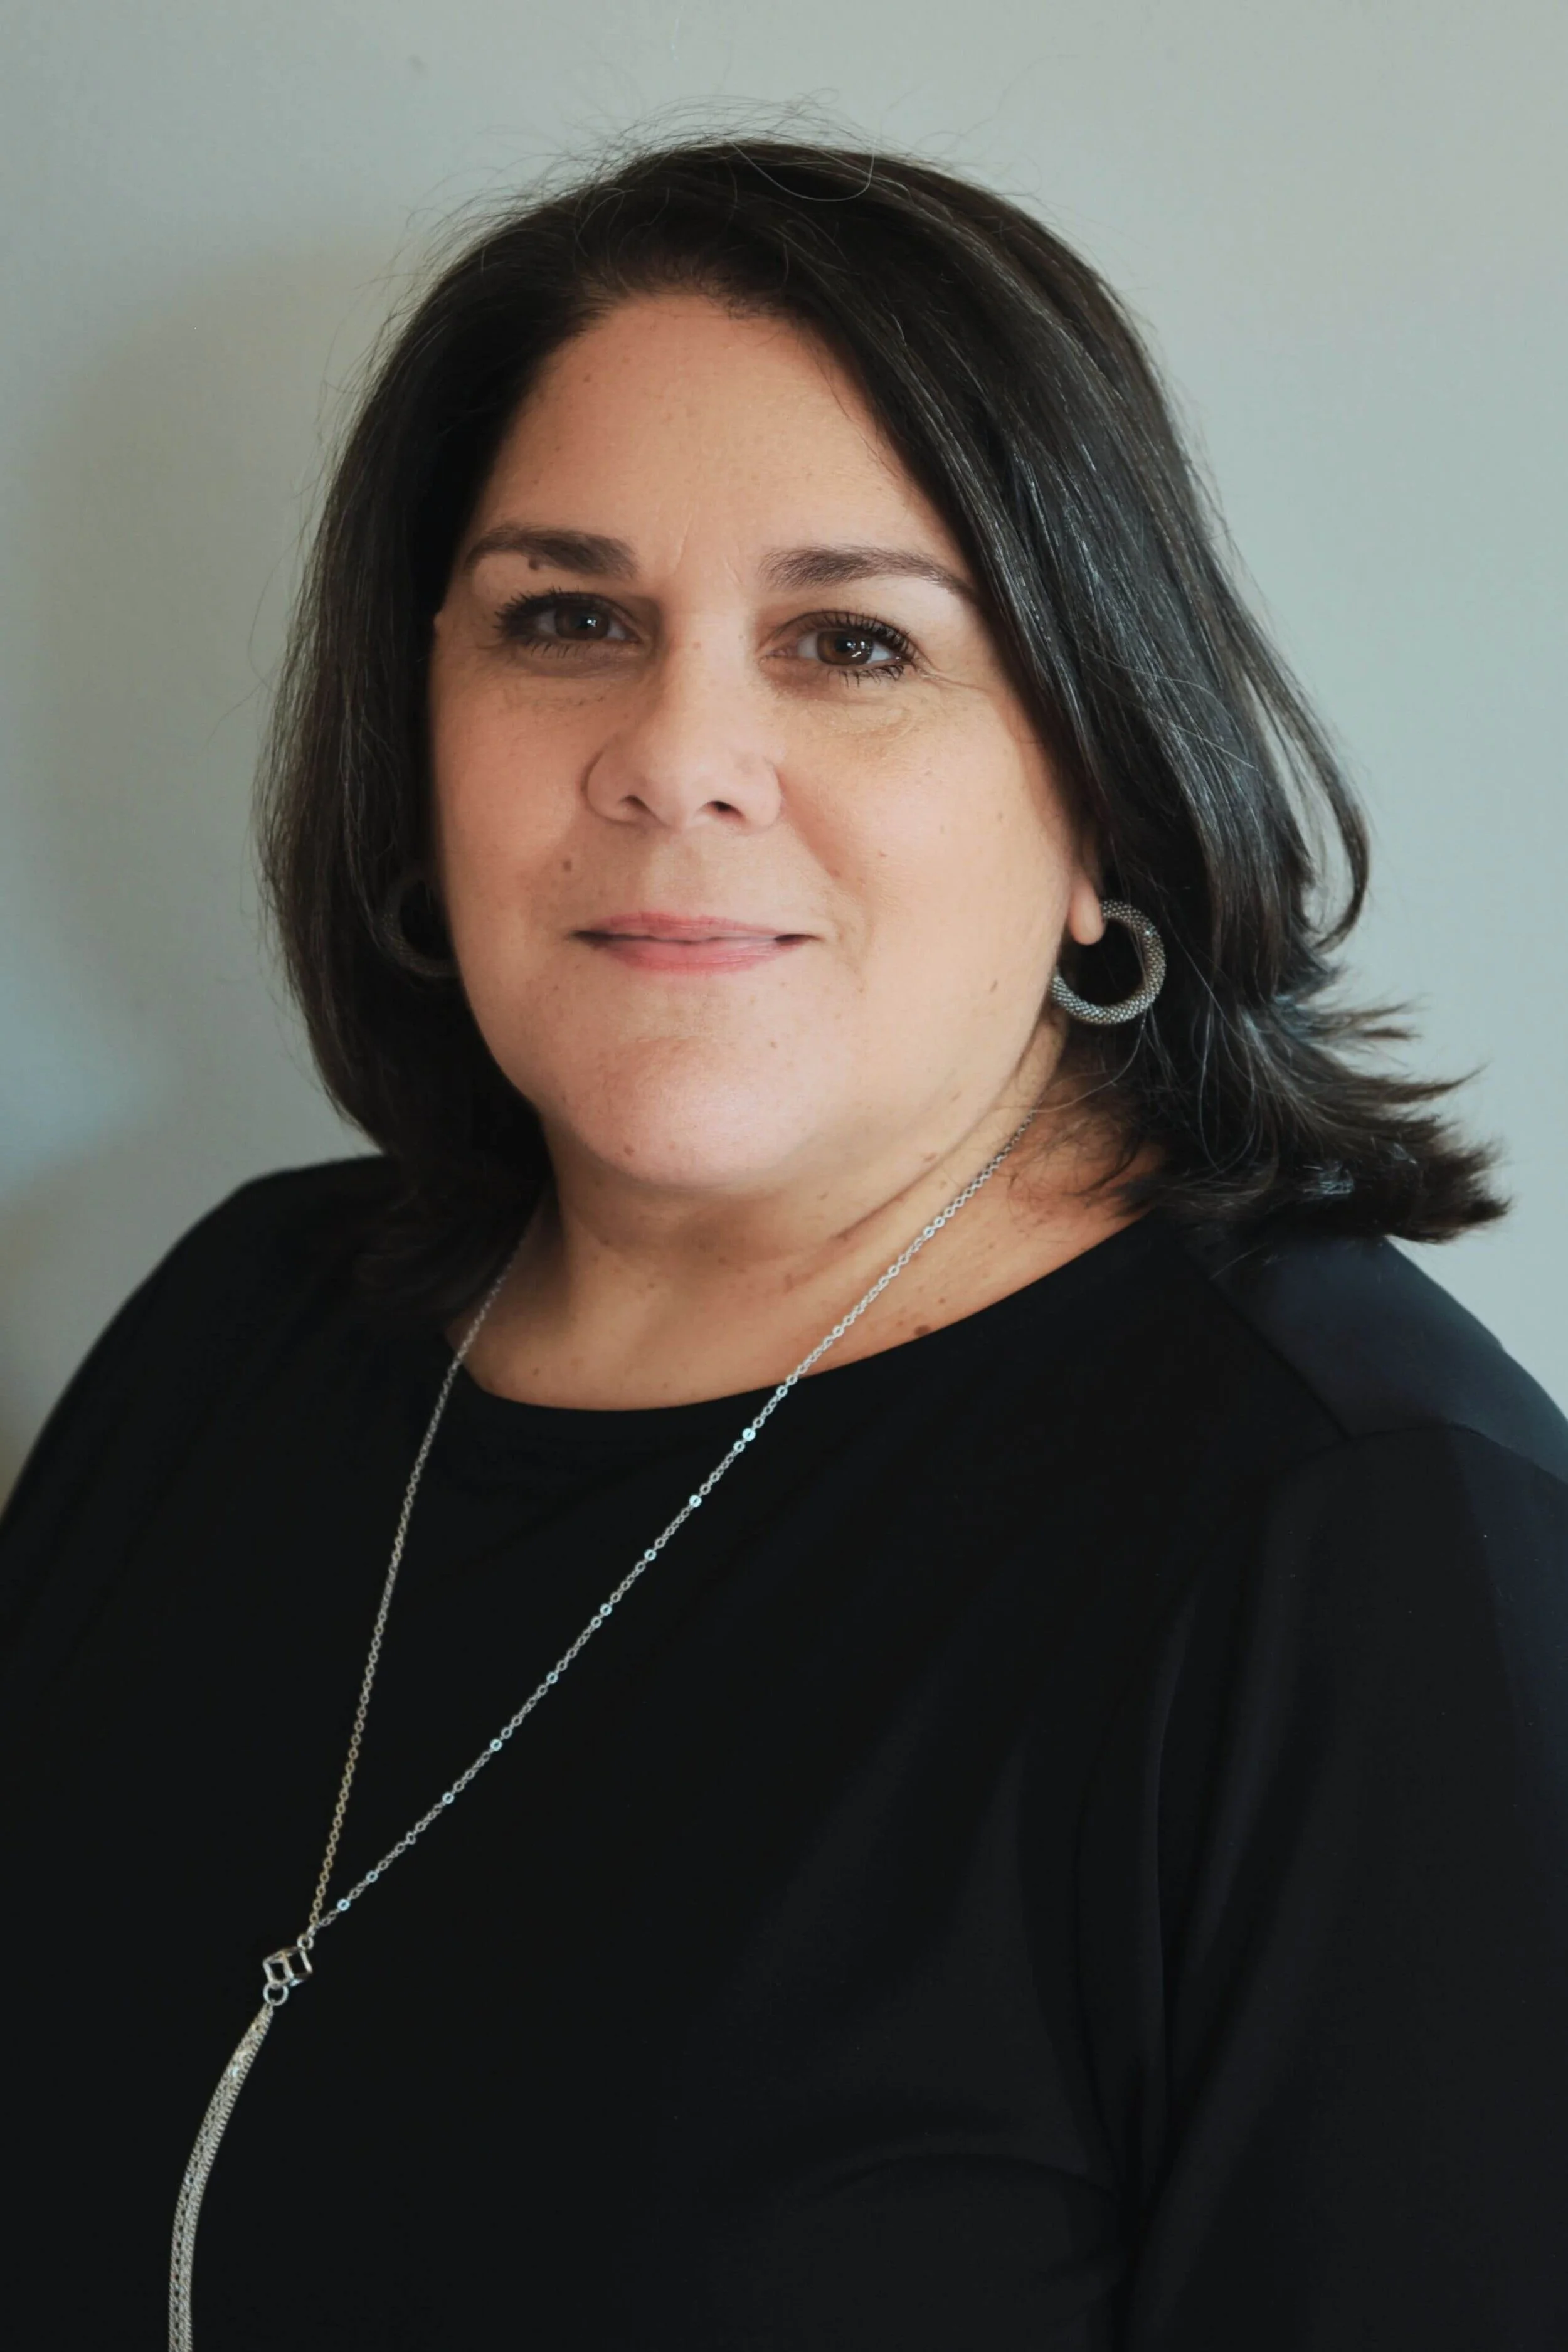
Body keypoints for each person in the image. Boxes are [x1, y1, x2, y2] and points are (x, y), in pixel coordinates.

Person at [3, 134, 1565, 2351]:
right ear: (416, 717)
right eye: (569, 619)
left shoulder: (1362, 1541)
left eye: (850, 642)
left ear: (1098, 797)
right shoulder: (238, 1334)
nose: (677, 756)